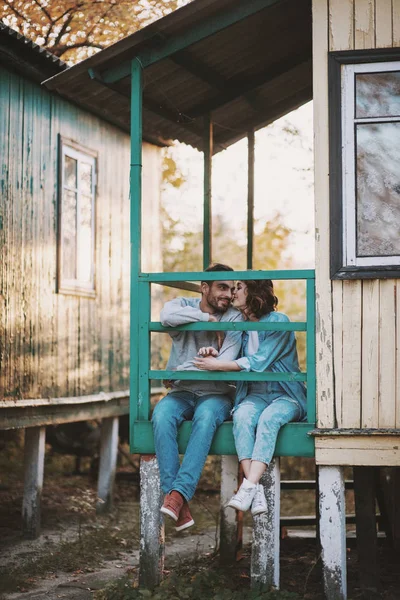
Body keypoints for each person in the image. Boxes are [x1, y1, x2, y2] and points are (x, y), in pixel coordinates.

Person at [194, 279, 306, 516]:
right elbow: (231, 353)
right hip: (254, 394)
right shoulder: (241, 324)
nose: (233, 293)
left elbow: (259, 361)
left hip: (284, 394)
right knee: (242, 416)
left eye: (238, 287)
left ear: (254, 292)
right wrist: (215, 353)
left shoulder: (278, 321)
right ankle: (253, 489)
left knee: (269, 419)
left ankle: (249, 485)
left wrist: (219, 366)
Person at [152, 263, 242, 532]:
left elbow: (228, 357)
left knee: (205, 419)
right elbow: (167, 316)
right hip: (182, 391)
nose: (227, 294)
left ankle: (177, 495)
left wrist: (182, 368)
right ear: (205, 288)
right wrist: (206, 319)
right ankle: (179, 500)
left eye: (231, 288)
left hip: (217, 393)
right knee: (161, 416)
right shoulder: (183, 304)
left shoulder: (234, 316)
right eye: (221, 287)